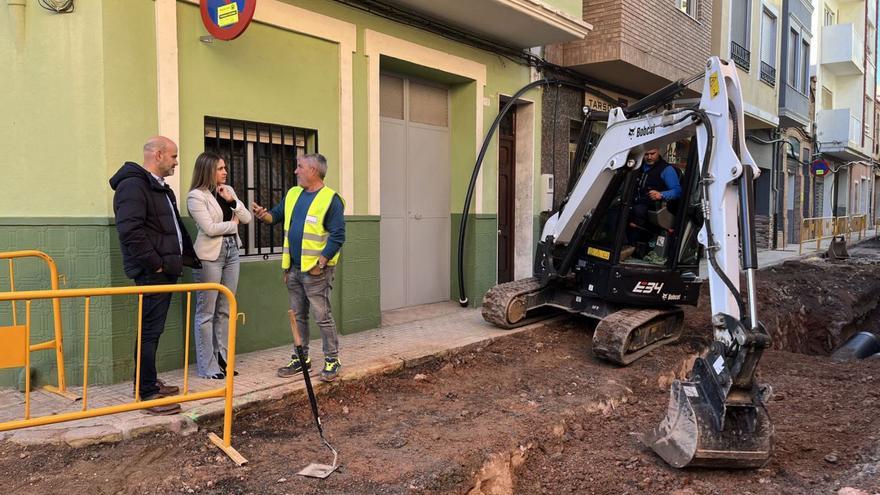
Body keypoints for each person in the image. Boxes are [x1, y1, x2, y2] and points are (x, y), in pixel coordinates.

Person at [109, 136, 200, 415]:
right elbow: (130, 231)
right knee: (149, 331)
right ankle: (146, 393)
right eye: (173, 157)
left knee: (153, 330)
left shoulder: (158, 187)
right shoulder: (133, 186)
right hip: (153, 273)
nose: (176, 162)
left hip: (165, 269)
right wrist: (156, 264)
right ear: (158, 155)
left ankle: (147, 381)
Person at [251, 153, 345, 382]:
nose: (296, 171)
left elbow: (338, 235)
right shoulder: (294, 194)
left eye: (300, 167)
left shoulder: (330, 199)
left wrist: (321, 263)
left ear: (313, 170)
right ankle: (301, 358)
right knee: (298, 316)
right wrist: (263, 215)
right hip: (293, 269)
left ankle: (332, 359)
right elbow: (276, 216)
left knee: (322, 316)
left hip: (316, 272)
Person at [187, 152, 252, 379]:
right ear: (208, 171)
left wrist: (232, 202)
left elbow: (247, 218)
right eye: (220, 168)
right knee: (206, 312)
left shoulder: (228, 191)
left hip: (232, 252)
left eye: (225, 168)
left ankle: (223, 358)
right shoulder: (196, 196)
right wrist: (232, 225)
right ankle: (208, 365)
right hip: (209, 257)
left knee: (225, 309)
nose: (225, 172)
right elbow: (209, 228)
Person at [628, 147, 682, 248]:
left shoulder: (666, 169)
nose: (649, 157)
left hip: (652, 207)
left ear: (658, 152)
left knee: (637, 211)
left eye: (652, 154)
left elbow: (678, 191)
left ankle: (633, 246)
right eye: (646, 154)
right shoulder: (638, 166)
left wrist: (661, 194)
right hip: (633, 202)